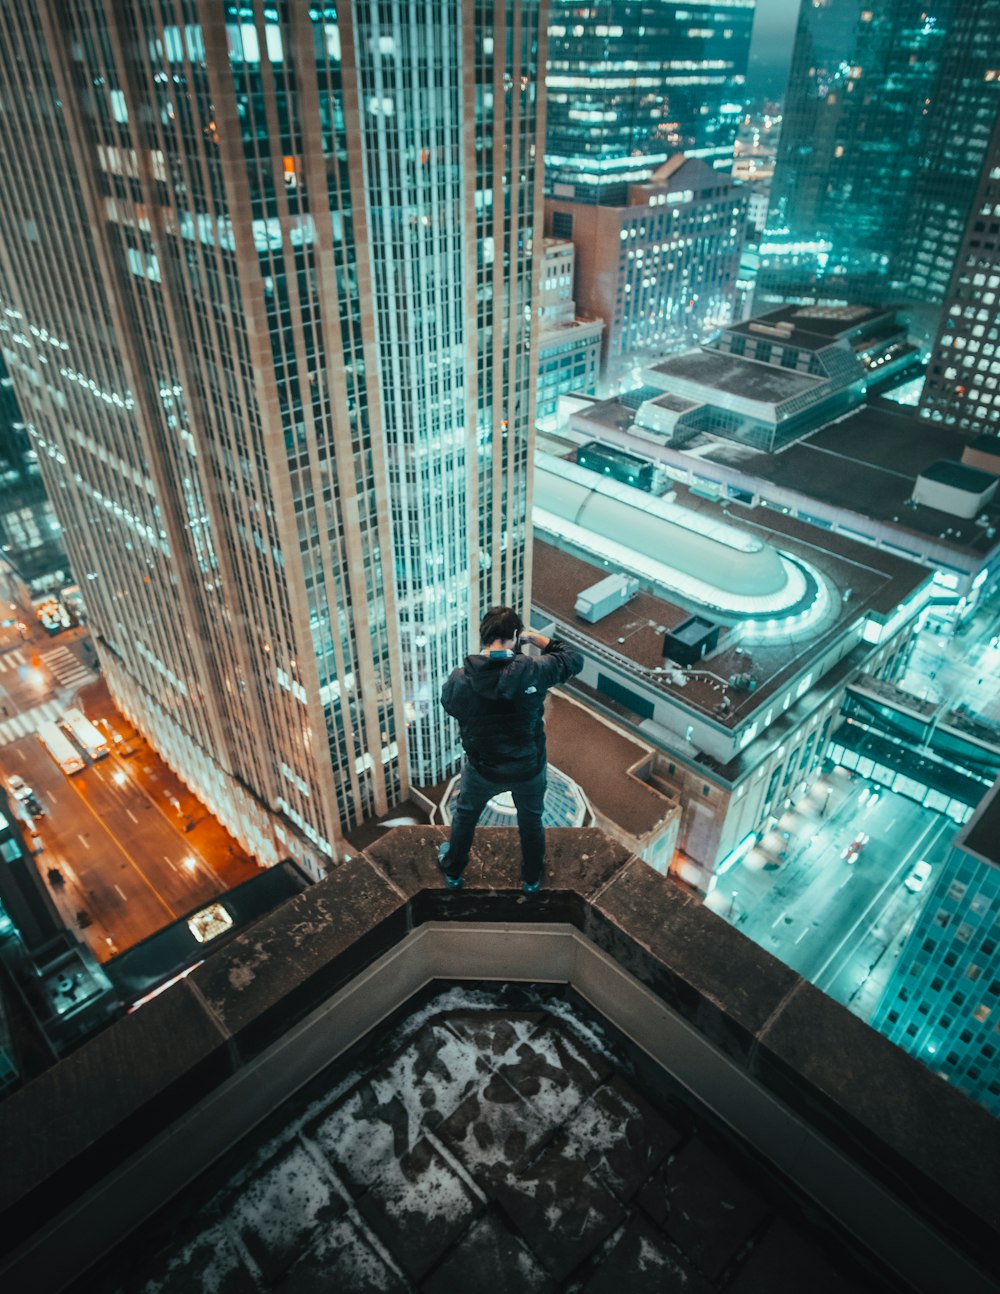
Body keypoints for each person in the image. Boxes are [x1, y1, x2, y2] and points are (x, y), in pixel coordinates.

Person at [438, 606, 583, 893]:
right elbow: (573, 659)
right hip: (528, 766)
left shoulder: (461, 679)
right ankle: (531, 879)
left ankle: (453, 871)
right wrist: (534, 639)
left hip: (484, 767)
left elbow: (451, 706)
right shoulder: (534, 671)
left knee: (465, 815)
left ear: (484, 636)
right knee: (532, 820)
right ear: (514, 636)